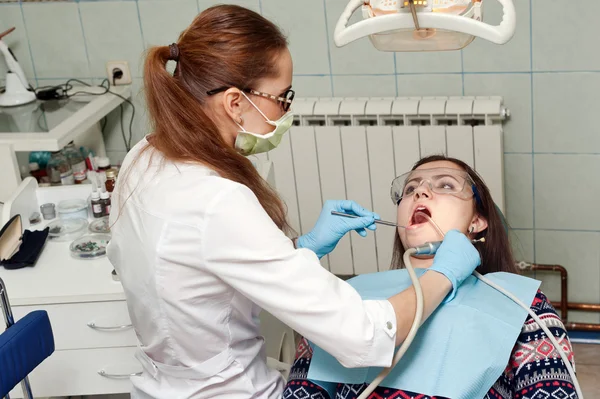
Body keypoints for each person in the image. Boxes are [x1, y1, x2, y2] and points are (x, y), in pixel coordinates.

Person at [106, 5, 481, 399]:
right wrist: (445, 274)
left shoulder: (142, 158)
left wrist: (300, 251)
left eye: (445, 186)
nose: (286, 109)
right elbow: (362, 336)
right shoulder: (215, 201)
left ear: (480, 221)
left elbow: (200, 271)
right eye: (283, 97)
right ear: (235, 103)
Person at [284, 155, 578, 399]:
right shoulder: (349, 293)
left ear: (477, 221)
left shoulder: (523, 305)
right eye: (410, 189)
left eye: (446, 185)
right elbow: (303, 390)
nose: (420, 193)